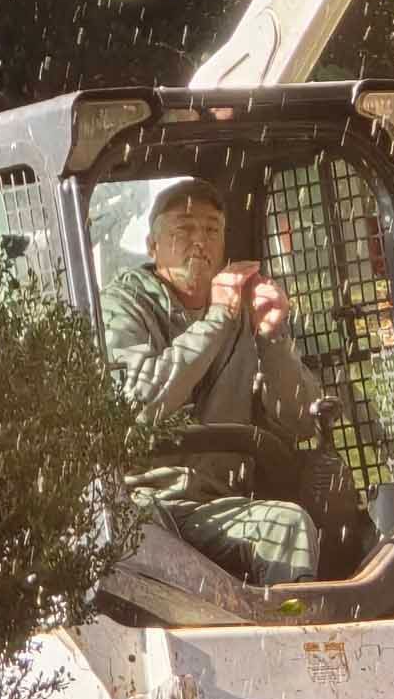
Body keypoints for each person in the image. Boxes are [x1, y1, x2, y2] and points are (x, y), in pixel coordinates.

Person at [100, 178, 322, 586]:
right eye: (183, 229)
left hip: (217, 507)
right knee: (143, 536)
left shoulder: (243, 312)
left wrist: (273, 338)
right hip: (142, 506)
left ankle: (290, 640)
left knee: (288, 528)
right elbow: (135, 404)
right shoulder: (122, 304)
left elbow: (301, 422)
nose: (199, 241)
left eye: (212, 230)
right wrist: (218, 319)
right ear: (153, 246)